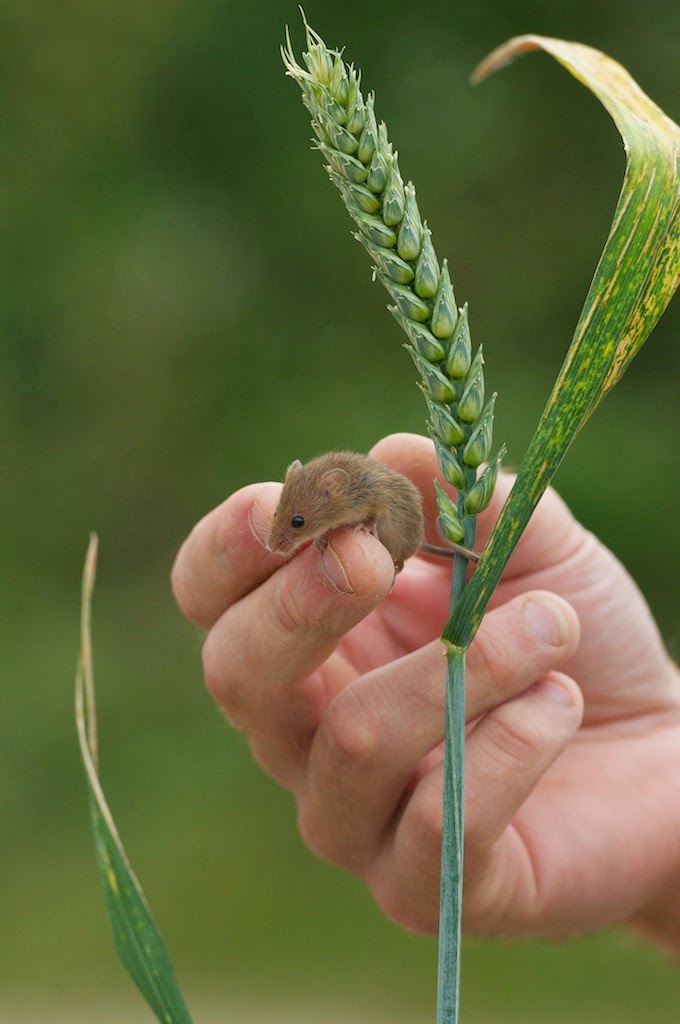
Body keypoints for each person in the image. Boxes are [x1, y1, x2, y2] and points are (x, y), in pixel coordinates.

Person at [171, 432, 680, 955]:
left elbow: (380, 509)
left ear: (330, 492)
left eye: (296, 526)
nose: (287, 537)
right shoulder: (327, 491)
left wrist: (648, 733)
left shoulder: (351, 494)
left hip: (397, 534)